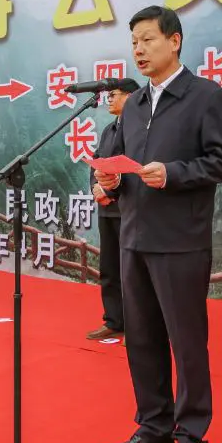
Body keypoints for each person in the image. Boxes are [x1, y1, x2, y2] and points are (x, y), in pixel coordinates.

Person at [96, 6, 222, 443]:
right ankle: (154, 427)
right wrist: (112, 182)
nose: (138, 49)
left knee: (186, 343)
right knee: (141, 340)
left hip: (179, 240)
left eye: (147, 40)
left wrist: (173, 173)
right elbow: (122, 162)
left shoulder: (204, 97)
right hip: (133, 237)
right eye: (133, 41)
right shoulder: (133, 105)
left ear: (174, 41)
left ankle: (191, 437)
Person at [87, 77, 141, 341]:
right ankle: (113, 319)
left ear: (131, 97)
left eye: (115, 94)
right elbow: (97, 162)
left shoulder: (140, 128)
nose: (109, 99)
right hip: (106, 209)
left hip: (129, 209)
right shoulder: (109, 129)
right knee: (109, 267)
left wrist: (110, 191)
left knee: (132, 271)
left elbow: (134, 167)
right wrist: (96, 189)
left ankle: (137, 326)